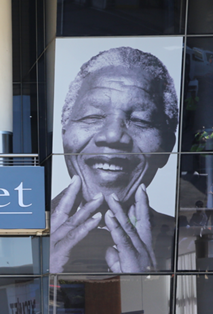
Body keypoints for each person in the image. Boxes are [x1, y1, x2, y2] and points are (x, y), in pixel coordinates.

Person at [50, 46, 179, 273]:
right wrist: (38, 271)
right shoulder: (18, 230)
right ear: (64, 133)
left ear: (168, 146)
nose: (112, 136)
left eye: (141, 120)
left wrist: (146, 282)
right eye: (93, 116)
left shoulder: (187, 239)